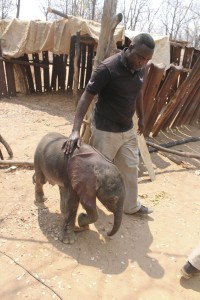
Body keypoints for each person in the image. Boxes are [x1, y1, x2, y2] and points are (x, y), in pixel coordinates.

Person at [62, 33, 155, 215]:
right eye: (139, 57)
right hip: (105, 130)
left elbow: (138, 92)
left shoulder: (142, 69)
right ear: (130, 47)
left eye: (146, 59)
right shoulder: (108, 68)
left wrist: (142, 117)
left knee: (130, 168)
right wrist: (75, 130)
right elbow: (86, 97)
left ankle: (130, 206)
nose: (142, 62)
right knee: (98, 173)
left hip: (127, 129)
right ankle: (91, 209)